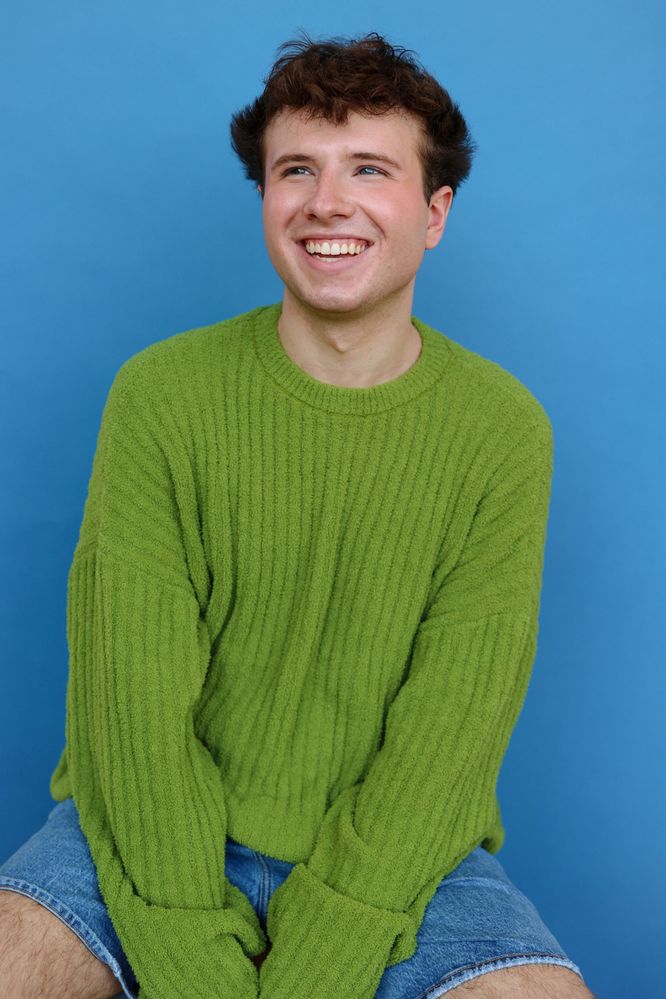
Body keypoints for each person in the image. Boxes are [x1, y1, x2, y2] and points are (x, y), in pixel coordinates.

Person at [0, 31, 596, 999]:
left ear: (435, 211)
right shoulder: (162, 394)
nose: (328, 202)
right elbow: (133, 708)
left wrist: (322, 959)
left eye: (370, 168)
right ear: (267, 199)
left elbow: (450, 735)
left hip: (403, 855)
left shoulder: (502, 430)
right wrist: (194, 957)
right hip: (156, 832)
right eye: (296, 170)